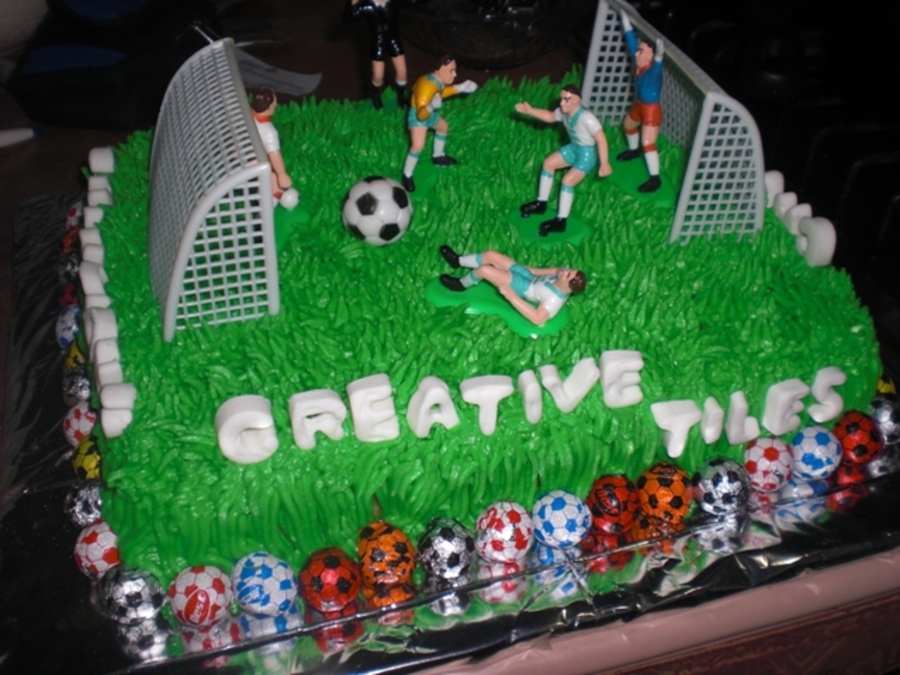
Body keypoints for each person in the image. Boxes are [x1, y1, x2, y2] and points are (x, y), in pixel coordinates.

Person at [515, 85, 612, 236]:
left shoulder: (587, 118)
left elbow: (601, 139)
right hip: (574, 148)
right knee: (548, 164)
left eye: (566, 99)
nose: (561, 103)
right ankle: (541, 203)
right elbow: (550, 116)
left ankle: (561, 221)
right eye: (562, 99)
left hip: (586, 154)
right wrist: (530, 111)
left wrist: (604, 163)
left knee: (567, 181)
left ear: (576, 101)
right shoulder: (563, 112)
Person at [438, 245, 586, 326]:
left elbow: (538, 318)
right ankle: (458, 261)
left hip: (524, 288)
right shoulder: (561, 274)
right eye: (569, 271)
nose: (565, 272)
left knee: (484, 270)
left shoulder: (554, 300)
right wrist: (528, 270)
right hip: (529, 276)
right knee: (491, 255)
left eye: (568, 275)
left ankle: (460, 284)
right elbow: (549, 271)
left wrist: (512, 296)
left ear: (569, 286)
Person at [401, 56, 477, 192]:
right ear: (440, 69)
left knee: (443, 127)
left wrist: (460, 88)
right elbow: (421, 115)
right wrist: (431, 106)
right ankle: (407, 175)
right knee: (417, 146)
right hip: (419, 116)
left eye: (454, 70)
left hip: (429, 112)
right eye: (451, 71)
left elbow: (441, 93)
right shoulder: (426, 87)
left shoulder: (437, 80)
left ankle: (438, 156)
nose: (455, 74)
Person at [617, 9, 664, 193]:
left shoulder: (653, 71)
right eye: (638, 51)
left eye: (641, 51)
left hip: (651, 110)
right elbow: (631, 44)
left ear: (650, 56)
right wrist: (626, 24)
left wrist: (659, 57)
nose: (637, 54)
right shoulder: (638, 62)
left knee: (648, 142)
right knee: (628, 125)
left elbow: (658, 67)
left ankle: (655, 178)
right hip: (639, 105)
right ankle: (633, 150)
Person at [344, 0, 408, 109]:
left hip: (393, 39)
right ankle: (375, 95)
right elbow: (348, 18)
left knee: (402, 72)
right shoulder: (367, 6)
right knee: (378, 76)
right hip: (378, 42)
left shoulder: (393, 2)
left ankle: (401, 96)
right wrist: (353, 3)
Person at [250, 88, 293, 200]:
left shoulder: (247, 112)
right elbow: (274, 154)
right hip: (251, 160)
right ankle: (272, 198)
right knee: (272, 175)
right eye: (274, 103)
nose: (276, 105)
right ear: (269, 107)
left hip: (236, 151)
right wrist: (281, 174)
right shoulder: (269, 131)